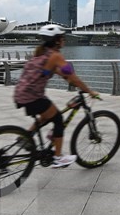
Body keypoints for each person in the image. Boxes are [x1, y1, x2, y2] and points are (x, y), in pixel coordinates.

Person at [14, 24, 98, 168]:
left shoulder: (42, 54)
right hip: (32, 97)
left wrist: (69, 80)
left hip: (21, 94)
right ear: (57, 41)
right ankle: (57, 157)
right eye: (62, 38)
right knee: (58, 118)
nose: (64, 40)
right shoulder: (55, 56)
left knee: (46, 115)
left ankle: (26, 138)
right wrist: (89, 91)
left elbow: (61, 74)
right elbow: (72, 75)